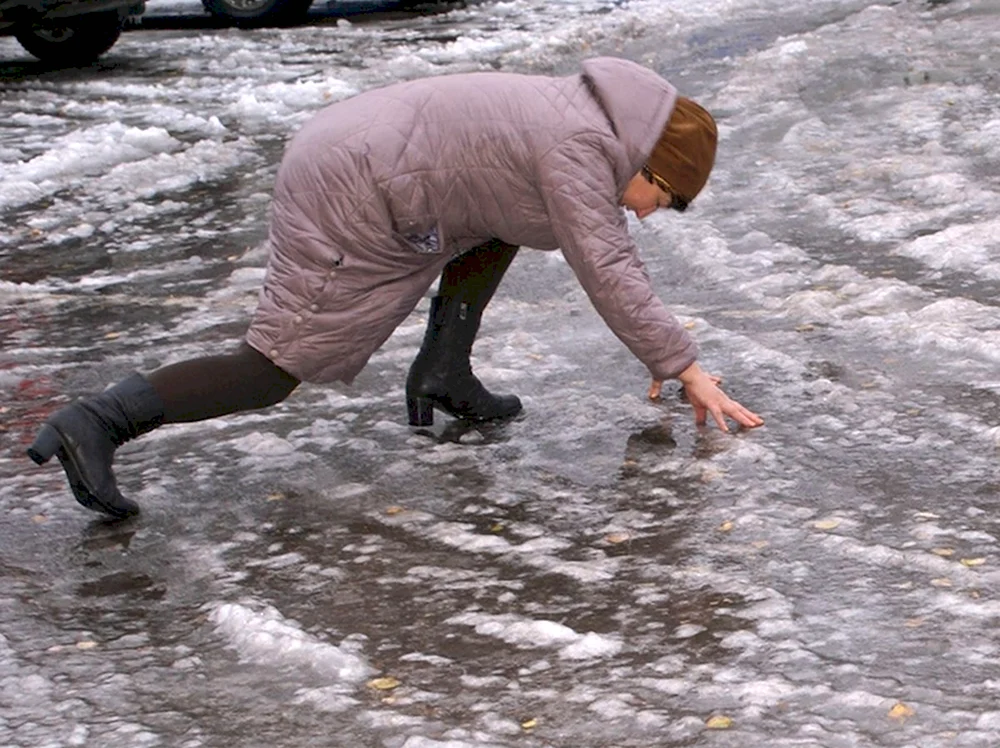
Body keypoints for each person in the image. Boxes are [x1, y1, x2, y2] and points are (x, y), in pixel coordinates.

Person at [26, 56, 763, 520]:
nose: (647, 210)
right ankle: (99, 420)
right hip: (351, 181)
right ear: (645, 156)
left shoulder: (584, 118)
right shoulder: (580, 148)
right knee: (279, 365)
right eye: (660, 195)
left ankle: (444, 370)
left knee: (506, 216)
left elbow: (546, 219)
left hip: (370, 155)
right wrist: (684, 366)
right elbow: (607, 266)